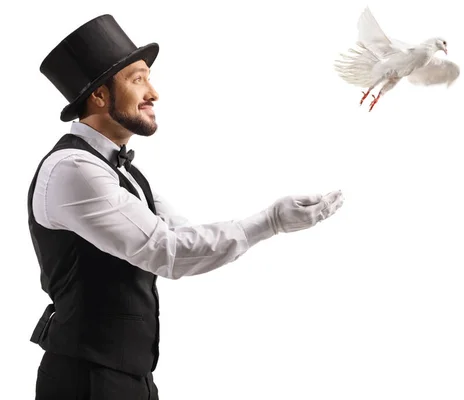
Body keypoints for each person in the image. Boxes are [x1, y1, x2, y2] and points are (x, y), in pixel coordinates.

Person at [28, 14, 345, 400]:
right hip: (88, 382)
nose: (153, 93)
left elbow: (183, 237)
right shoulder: (74, 170)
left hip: (129, 378)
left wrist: (272, 220)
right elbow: (169, 252)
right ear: (98, 96)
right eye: (138, 79)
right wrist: (272, 221)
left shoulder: (121, 171)